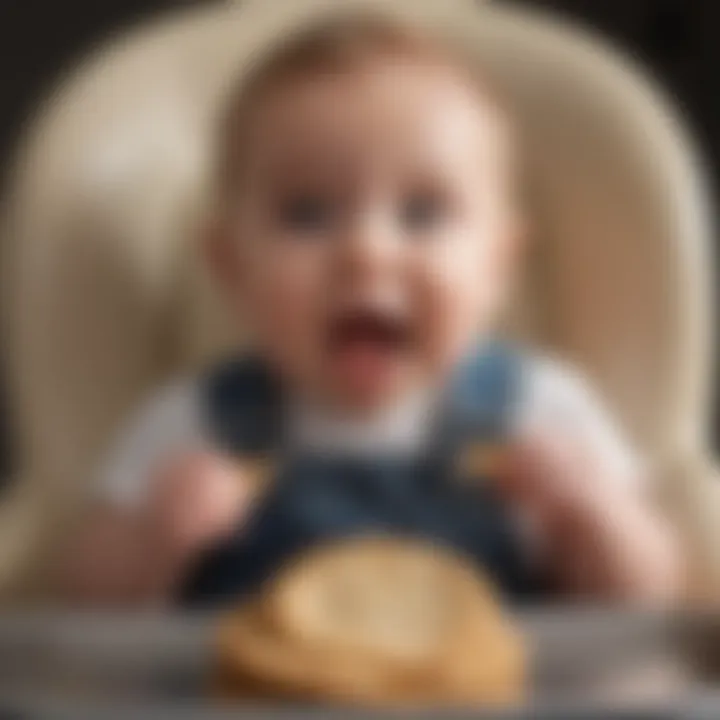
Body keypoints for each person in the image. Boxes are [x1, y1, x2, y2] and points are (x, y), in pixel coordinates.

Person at [59, 11, 680, 607]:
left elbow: (654, 598)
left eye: (422, 214)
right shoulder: (194, 425)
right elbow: (81, 607)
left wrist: (595, 519)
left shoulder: (542, 413)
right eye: (307, 213)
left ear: (497, 264)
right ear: (230, 265)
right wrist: (150, 542)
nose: (367, 251)